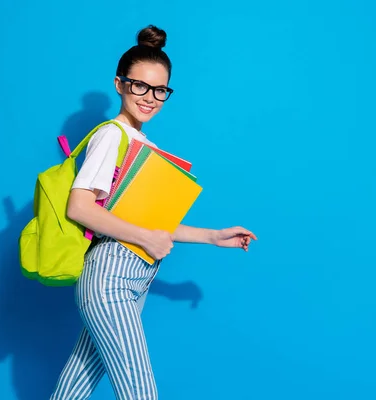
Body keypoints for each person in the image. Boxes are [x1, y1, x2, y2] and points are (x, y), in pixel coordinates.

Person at [49, 25, 257, 400]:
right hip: (110, 277)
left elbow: (148, 220)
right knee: (140, 393)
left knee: (76, 386)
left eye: (160, 90)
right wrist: (146, 238)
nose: (150, 97)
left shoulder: (142, 143)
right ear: (119, 84)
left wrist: (212, 236)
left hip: (134, 278)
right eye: (139, 86)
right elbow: (79, 206)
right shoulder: (112, 135)